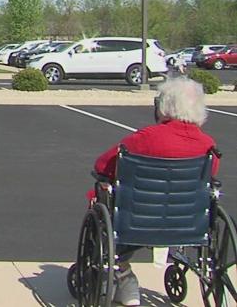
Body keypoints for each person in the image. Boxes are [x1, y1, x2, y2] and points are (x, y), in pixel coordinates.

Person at [92, 77, 218, 306]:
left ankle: (123, 274)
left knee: (101, 195)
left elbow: (102, 166)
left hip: (138, 218)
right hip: (188, 222)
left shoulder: (144, 138)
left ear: (164, 106)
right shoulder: (208, 145)